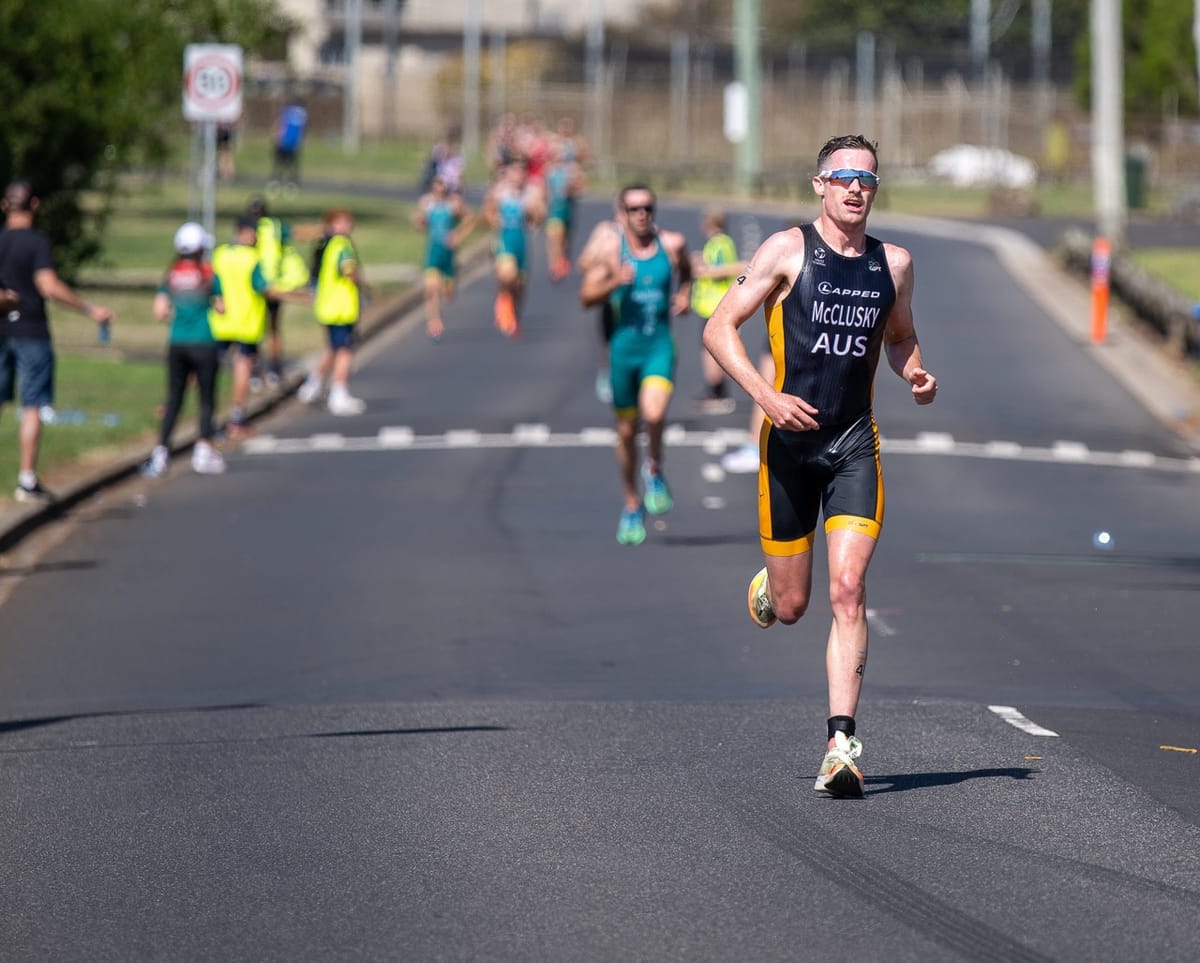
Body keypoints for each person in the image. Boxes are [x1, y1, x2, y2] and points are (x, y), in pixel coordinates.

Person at [702, 134, 938, 798]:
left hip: (853, 445)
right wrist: (767, 396)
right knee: (796, 603)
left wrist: (914, 370)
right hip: (789, 450)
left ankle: (841, 743)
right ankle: (772, 589)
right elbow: (719, 328)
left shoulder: (893, 264)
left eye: (868, 178)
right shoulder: (786, 251)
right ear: (819, 185)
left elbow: (902, 336)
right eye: (843, 177)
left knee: (848, 588)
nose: (856, 188)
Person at [580, 184, 692, 546]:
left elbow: (687, 269)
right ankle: (632, 500)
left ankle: (654, 467)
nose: (642, 214)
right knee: (626, 432)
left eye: (647, 208)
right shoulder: (613, 252)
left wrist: (685, 293)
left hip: (658, 346)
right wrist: (615, 280)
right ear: (623, 214)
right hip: (622, 352)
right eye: (634, 209)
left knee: (655, 413)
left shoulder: (672, 244)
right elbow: (586, 297)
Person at [0, 179, 113, 503]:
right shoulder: (36, 243)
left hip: (1, 331)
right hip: (31, 330)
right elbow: (47, 285)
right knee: (32, 405)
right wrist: (89, 309)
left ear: (4, 205)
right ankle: (26, 478)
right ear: (34, 204)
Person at [141, 222, 226, 478]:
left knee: (174, 399)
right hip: (204, 342)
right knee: (206, 399)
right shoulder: (209, 274)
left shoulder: (171, 275)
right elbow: (221, 307)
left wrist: (177, 317)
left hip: (177, 342)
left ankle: (161, 452)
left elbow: (160, 311)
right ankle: (203, 450)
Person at [298, 208, 369, 415]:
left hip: (328, 306)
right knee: (345, 350)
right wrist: (362, 285)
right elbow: (348, 271)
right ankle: (339, 393)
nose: (348, 225)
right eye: (343, 222)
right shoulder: (342, 245)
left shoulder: (326, 244)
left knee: (333, 348)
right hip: (341, 308)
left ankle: (313, 385)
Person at [690, 207, 746, 415]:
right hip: (710, 304)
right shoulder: (719, 242)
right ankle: (716, 391)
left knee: (711, 350)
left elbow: (728, 268)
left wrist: (703, 269)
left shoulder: (719, 243)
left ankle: (717, 393)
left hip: (713, 305)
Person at [482, 160, 546, 338]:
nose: (518, 175)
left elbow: (540, 217)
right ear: (508, 172)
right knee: (506, 275)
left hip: (522, 240)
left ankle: (513, 311)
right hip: (504, 239)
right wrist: (494, 221)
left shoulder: (532, 192)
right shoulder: (500, 191)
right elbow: (488, 210)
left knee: (520, 285)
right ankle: (503, 303)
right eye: (514, 171)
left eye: (521, 171)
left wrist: (534, 211)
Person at [412, 175, 475, 341]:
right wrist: (419, 222)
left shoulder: (453, 205)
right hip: (433, 252)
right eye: (436, 187)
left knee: (448, 291)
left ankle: (449, 286)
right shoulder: (427, 204)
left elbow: (470, 219)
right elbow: (419, 223)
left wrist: (458, 235)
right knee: (431, 289)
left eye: (442, 188)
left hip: (448, 255)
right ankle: (434, 321)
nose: (439, 191)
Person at [576, 200, 625, 404]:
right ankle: (608, 373)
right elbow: (584, 262)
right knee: (611, 341)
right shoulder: (606, 232)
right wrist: (605, 264)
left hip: (640, 299)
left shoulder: (649, 233)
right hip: (612, 297)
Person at [543, 138, 586, 282]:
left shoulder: (571, 170)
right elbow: (545, 191)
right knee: (555, 239)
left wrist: (572, 188)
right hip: (554, 212)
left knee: (566, 239)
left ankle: (562, 260)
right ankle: (554, 265)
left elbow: (581, 189)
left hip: (567, 210)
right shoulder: (548, 171)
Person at [271, 99, 308, 187]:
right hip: (293, 144)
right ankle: (291, 182)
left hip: (283, 142)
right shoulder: (302, 113)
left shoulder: (287, 111)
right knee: (291, 165)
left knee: (280, 164)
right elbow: (302, 130)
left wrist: (275, 137)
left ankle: (276, 181)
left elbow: (278, 125)